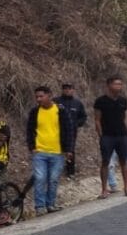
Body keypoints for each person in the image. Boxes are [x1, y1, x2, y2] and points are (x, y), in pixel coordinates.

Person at [26, 86, 75, 215]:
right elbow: (29, 130)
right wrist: (32, 147)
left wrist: (69, 149)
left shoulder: (60, 110)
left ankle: (50, 204)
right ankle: (40, 206)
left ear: (49, 95)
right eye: (37, 97)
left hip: (57, 152)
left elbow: (69, 130)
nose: (38, 99)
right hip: (40, 151)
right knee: (40, 178)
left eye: (41, 96)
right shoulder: (35, 111)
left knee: (53, 179)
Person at [94, 76, 127, 198]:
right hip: (107, 136)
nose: (119, 86)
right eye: (116, 84)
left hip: (121, 135)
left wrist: (126, 132)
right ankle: (104, 189)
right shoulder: (101, 101)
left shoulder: (123, 100)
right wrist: (101, 135)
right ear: (109, 85)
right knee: (105, 161)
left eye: (120, 84)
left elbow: (123, 117)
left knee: (124, 161)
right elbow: (97, 120)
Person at [55, 83, 88, 176]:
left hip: (71, 131)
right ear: (62, 90)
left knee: (70, 149)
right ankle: (56, 170)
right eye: (65, 88)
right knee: (57, 149)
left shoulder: (77, 103)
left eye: (70, 88)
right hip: (57, 130)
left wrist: (76, 124)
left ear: (73, 90)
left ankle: (70, 172)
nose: (67, 90)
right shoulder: (56, 101)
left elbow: (83, 116)